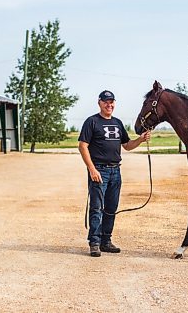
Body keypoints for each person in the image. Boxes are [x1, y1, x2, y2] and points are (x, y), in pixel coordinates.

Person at [78, 90, 151, 257]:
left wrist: (140, 139)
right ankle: (94, 242)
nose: (109, 105)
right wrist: (92, 169)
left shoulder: (118, 123)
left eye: (111, 102)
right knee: (97, 208)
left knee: (111, 208)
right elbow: (83, 146)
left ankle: (106, 241)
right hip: (99, 170)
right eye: (105, 102)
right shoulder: (92, 122)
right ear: (99, 103)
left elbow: (127, 145)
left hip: (115, 171)